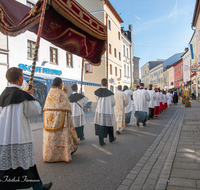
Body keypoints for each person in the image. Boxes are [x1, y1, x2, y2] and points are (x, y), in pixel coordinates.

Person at [0, 67, 52, 190]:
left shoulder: (2, 95)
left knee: (7, 168)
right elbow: (34, 112)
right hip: (20, 135)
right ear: (19, 78)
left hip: (5, 137)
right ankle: (38, 188)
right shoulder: (23, 95)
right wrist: (31, 97)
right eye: (22, 76)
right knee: (27, 165)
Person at [43, 77, 79, 163]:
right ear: (60, 84)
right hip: (60, 120)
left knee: (51, 137)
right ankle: (63, 155)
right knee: (61, 136)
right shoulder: (62, 93)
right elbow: (67, 106)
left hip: (49, 120)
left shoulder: (49, 93)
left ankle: (48, 156)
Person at [94, 78, 116, 146]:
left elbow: (97, 100)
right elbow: (113, 103)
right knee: (109, 125)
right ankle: (111, 139)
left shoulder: (96, 92)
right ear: (107, 84)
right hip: (107, 111)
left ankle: (101, 141)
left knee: (100, 125)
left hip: (99, 111)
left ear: (101, 83)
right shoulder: (110, 93)